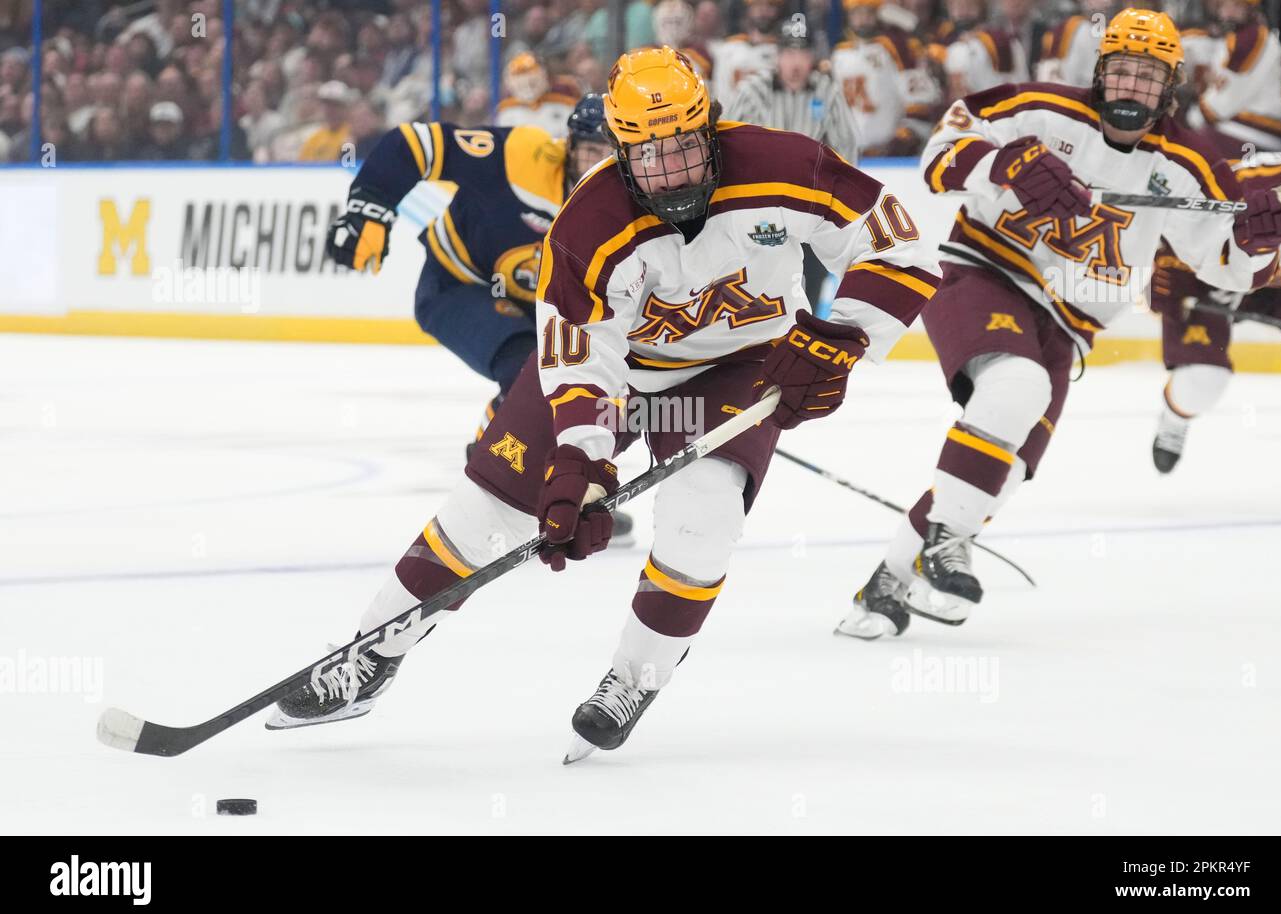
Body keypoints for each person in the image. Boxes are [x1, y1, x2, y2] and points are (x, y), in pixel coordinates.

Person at [270, 47, 940, 755]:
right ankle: (371, 652)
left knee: (700, 522)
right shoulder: (588, 223)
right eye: (647, 156)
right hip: (625, 376)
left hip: (737, 367)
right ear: (621, 152)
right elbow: (582, 357)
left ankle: (634, 675)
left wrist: (843, 337)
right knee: (485, 511)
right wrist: (580, 462)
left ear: (709, 129)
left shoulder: (786, 165)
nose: (669, 171)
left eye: (683, 148)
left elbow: (900, 244)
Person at [836, 9, 1281, 640]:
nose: (1133, 87)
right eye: (1124, 71)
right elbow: (938, 157)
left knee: (1005, 473)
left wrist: (1256, 241)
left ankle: (887, 583)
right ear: (1102, 72)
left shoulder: (1184, 165)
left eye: (1149, 77)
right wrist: (1004, 165)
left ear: (1169, 90)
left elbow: (1225, 263)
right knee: (1015, 390)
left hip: (1069, 326)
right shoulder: (1039, 109)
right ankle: (948, 540)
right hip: (983, 274)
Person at [323, 93, 614, 445]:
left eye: (611, 155)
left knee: (583, 384)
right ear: (569, 146)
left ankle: (554, 475)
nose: (600, 166)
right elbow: (415, 145)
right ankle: (489, 467)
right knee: (532, 370)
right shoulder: (521, 156)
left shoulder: (625, 206)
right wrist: (369, 206)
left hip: (539, 307)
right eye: (591, 151)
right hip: (456, 286)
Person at [1150, 152, 1281, 472]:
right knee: (1200, 383)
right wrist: (1156, 263)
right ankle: (1176, 417)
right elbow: (1173, 216)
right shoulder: (1252, 184)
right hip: (1216, 265)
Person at [728, 16, 859, 312]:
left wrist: (835, 201)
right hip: (759, 207)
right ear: (777, 56)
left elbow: (847, 149)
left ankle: (803, 343)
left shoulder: (827, 92)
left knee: (811, 284)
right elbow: (729, 147)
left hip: (810, 208)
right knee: (757, 287)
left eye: (802, 53)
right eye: (789, 53)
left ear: (813, 57)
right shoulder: (752, 91)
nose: (796, 62)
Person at [1184, 0, 1281, 157]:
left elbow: (1215, 109)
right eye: (1223, 6)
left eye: (1236, 5)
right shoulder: (1247, 36)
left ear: (1252, 7)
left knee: (1188, 146)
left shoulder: (1249, 39)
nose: (1227, 13)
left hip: (1260, 137)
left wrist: (1191, 115)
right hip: (1263, 135)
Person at [831, 0, 943, 157]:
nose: (863, 19)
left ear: (877, 14)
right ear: (848, 16)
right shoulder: (838, 53)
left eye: (868, 12)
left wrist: (907, 134)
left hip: (890, 154)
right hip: (850, 155)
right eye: (857, 13)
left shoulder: (895, 46)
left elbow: (920, 99)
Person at [493, 51, 580, 137]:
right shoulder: (507, 112)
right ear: (509, 84)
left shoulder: (563, 104)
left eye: (532, 83)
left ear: (545, 77)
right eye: (521, 85)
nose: (527, 89)